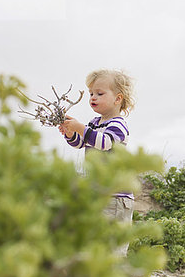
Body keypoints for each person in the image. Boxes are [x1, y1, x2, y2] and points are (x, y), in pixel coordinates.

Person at [58, 69, 135, 252]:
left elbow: (104, 142)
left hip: (116, 196)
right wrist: (71, 133)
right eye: (91, 93)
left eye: (100, 93)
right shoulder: (94, 123)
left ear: (117, 99)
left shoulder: (117, 124)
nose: (93, 97)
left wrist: (80, 127)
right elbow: (81, 143)